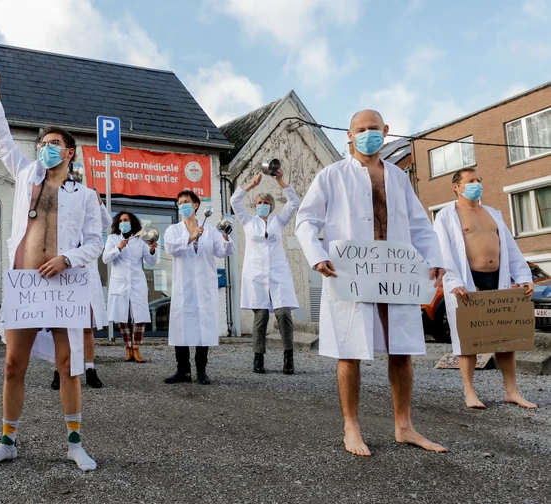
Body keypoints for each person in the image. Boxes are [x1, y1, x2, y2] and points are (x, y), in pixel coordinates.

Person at [296, 109, 448, 457]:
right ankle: (351, 426)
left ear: (386, 131)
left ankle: (404, 426)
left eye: (374, 129)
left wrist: (436, 257)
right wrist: (316, 254)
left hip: (396, 272)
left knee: (402, 350)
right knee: (350, 350)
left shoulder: (398, 177)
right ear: (348, 136)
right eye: (360, 130)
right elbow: (306, 220)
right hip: (352, 272)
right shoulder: (332, 175)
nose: (368, 134)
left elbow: (420, 223)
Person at [0, 71, 102, 471]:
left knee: (69, 365)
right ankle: (7, 441)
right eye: (43, 144)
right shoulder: (27, 175)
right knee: (14, 364)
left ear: (70, 153)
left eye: (54, 145)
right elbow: (3, 141)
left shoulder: (85, 196)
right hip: (25, 284)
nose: (45, 149)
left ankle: (74, 443)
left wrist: (68, 259)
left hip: (64, 284)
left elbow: (96, 243)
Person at [433, 168, 537, 409]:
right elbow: (443, 250)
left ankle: (511, 391)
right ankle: (469, 392)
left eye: (479, 180)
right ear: (456, 187)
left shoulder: (492, 213)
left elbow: (509, 247)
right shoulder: (447, 216)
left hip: (497, 279)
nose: (476, 184)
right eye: (470, 181)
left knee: (505, 336)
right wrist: (455, 282)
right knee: (468, 338)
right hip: (469, 281)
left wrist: (523, 276)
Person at [230, 169, 300, 374]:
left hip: (278, 274)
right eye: (259, 202)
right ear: (255, 206)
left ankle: (289, 357)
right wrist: (251, 185)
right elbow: (235, 201)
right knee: (260, 317)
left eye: (266, 203)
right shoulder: (248, 221)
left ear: (271, 207)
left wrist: (280, 179)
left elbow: (294, 202)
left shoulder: (279, 221)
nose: (262, 205)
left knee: (283, 314)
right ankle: (258, 358)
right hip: (256, 275)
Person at [163, 190, 235, 385]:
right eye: (179, 203)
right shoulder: (174, 230)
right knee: (182, 327)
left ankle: (202, 370)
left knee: (203, 327)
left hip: (204, 286)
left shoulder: (210, 230)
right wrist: (191, 237)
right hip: (183, 286)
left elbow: (223, 252)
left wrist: (226, 236)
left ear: (196, 205)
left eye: (186, 202)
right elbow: (170, 247)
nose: (183, 205)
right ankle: (183, 370)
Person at [52, 198, 110, 390]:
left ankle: (90, 368)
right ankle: (59, 369)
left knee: (86, 328)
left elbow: (107, 223)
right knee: (62, 328)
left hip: (86, 280)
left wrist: (99, 203)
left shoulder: (90, 225)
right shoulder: (62, 224)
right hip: (64, 278)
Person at [102, 211, 158, 362]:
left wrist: (152, 249)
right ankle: (128, 348)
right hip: (119, 282)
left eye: (126, 220)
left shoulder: (140, 240)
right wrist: (118, 248)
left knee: (139, 317)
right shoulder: (112, 239)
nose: (123, 222)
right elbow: (105, 258)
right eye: (121, 220)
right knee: (123, 317)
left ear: (132, 222)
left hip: (137, 282)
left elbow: (151, 261)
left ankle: (136, 348)